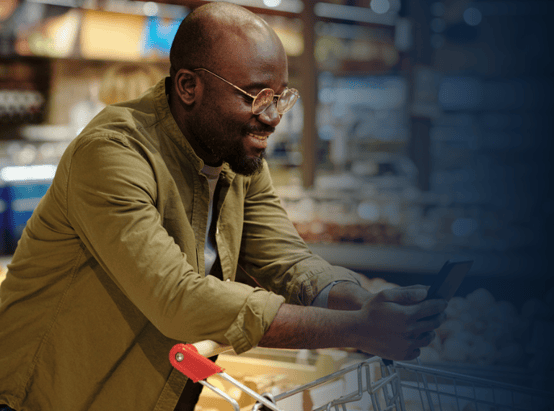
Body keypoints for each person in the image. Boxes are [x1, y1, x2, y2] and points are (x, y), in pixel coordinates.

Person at [0, 3, 447, 410]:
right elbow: (176, 296)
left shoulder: (236, 153)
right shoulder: (113, 152)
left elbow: (285, 259)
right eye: (255, 96)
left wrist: (363, 303)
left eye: (280, 97)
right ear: (189, 86)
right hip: (41, 397)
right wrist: (356, 329)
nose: (271, 117)